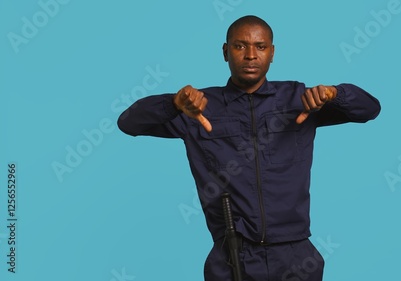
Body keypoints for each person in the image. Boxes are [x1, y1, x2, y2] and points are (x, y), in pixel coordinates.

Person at [118, 15, 381, 281]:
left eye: (261, 46)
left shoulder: (299, 99)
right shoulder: (197, 108)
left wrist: (335, 94)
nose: (251, 55)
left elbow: (370, 109)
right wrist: (173, 103)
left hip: (296, 255)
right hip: (231, 256)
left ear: (272, 53)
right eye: (240, 46)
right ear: (225, 51)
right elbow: (128, 123)